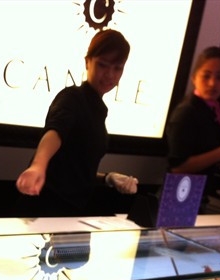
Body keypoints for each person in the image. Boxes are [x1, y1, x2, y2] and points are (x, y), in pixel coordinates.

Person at [15, 29, 138, 217]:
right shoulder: (72, 97)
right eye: (103, 65)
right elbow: (56, 131)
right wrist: (38, 165)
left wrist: (107, 178)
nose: (110, 74)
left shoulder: (98, 108)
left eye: (117, 68)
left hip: (70, 214)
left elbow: (74, 169)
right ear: (88, 62)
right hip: (44, 209)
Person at [165, 46, 220, 198]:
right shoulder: (187, 112)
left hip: (200, 193)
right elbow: (178, 167)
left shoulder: (216, 109)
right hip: (180, 196)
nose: (212, 83)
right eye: (206, 76)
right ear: (194, 78)